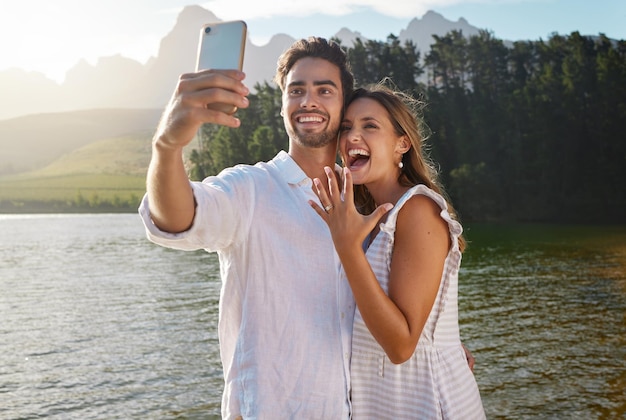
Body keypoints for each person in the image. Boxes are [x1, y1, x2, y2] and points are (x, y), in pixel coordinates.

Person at [139, 37, 356, 418]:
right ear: (282, 104)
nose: (309, 100)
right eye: (297, 90)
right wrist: (167, 147)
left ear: (344, 104)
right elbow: (177, 217)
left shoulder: (363, 199)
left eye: (325, 90)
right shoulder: (249, 189)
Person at [310, 83, 486, 418]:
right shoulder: (366, 219)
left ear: (401, 144)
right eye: (346, 128)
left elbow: (402, 345)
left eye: (369, 126)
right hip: (386, 403)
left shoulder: (418, 210)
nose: (351, 137)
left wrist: (347, 248)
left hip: (427, 402)